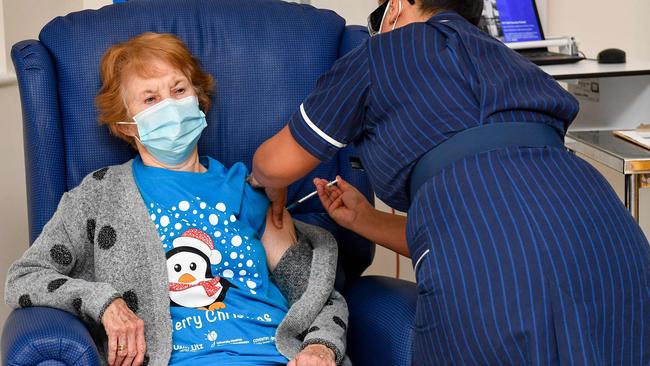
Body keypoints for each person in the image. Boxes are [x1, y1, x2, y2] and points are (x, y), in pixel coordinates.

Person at [251, 0, 650, 364]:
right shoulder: (514, 63)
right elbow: (506, 220)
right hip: (611, 243)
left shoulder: (380, 54)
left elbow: (275, 164)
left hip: (492, 277)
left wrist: (261, 181)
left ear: (397, 8)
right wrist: (365, 220)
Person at [5, 33, 350, 366]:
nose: (169, 105)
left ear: (197, 97)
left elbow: (315, 294)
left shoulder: (248, 190)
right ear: (126, 124)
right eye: (150, 99)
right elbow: (24, 277)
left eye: (179, 89)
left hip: (275, 356)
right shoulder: (100, 195)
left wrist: (321, 348)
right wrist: (105, 303)